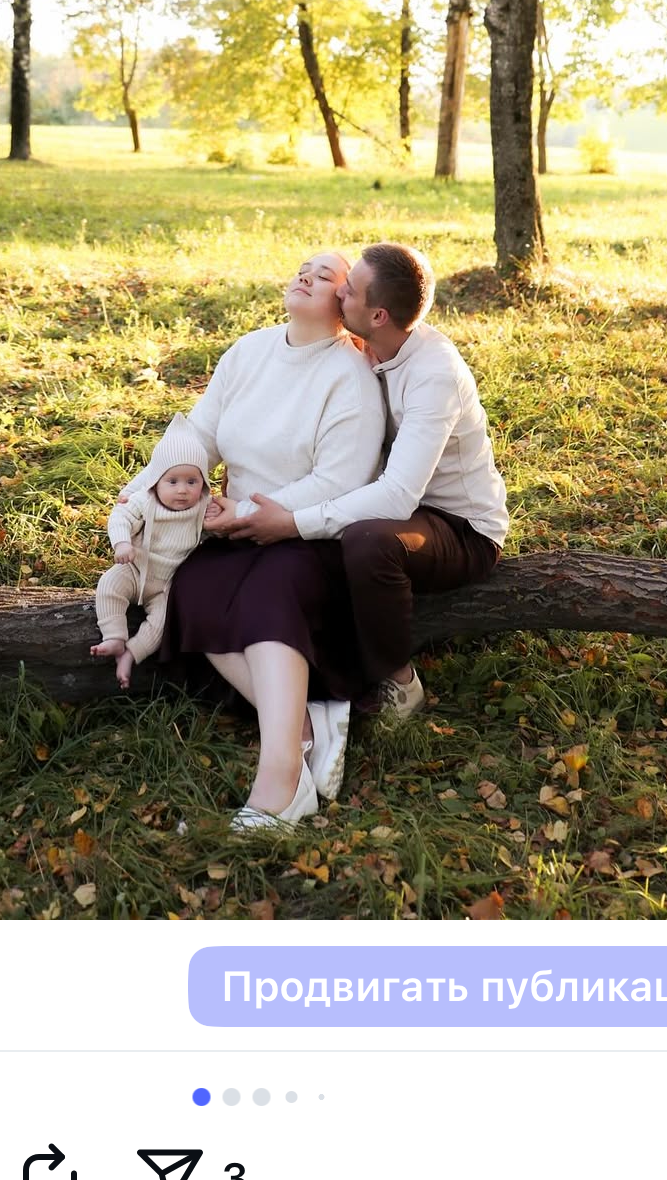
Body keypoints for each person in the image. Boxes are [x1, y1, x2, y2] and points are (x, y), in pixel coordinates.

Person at [142, 251, 385, 831]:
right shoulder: (249, 351)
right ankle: (305, 725)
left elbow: (339, 481)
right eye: (304, 267)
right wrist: (147, 487)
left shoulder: (350, 376)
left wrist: (251, 513)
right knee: (190, 586)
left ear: (345, 303)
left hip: (312, 532)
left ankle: (282, 783)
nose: (307, 276)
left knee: (269, 593)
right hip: (233, 525)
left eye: (326, 275)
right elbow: (198, 433)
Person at [232, 241, 508, 720]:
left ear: (378, 315)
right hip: (402, 505)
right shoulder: (369, 346)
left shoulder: (433, 374)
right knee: (329, 546)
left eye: (350, 290)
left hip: (459, 527)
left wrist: (294, 521)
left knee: (366, 540)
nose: (339, 292)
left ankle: (399, 681)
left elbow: (398, 496)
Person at [91, 423, 210, 689]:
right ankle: (114, 636)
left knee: (162, 623)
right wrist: (122, 544)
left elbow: (216, 530)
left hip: (167, 584)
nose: (182, 490)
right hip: (135, 568)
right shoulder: (146, 501)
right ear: (156, 481)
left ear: (203, 483)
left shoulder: (203, 507)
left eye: (192, 481)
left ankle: (131, 654)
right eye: (173, 481)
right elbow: (120, 516)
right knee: (109, 585)